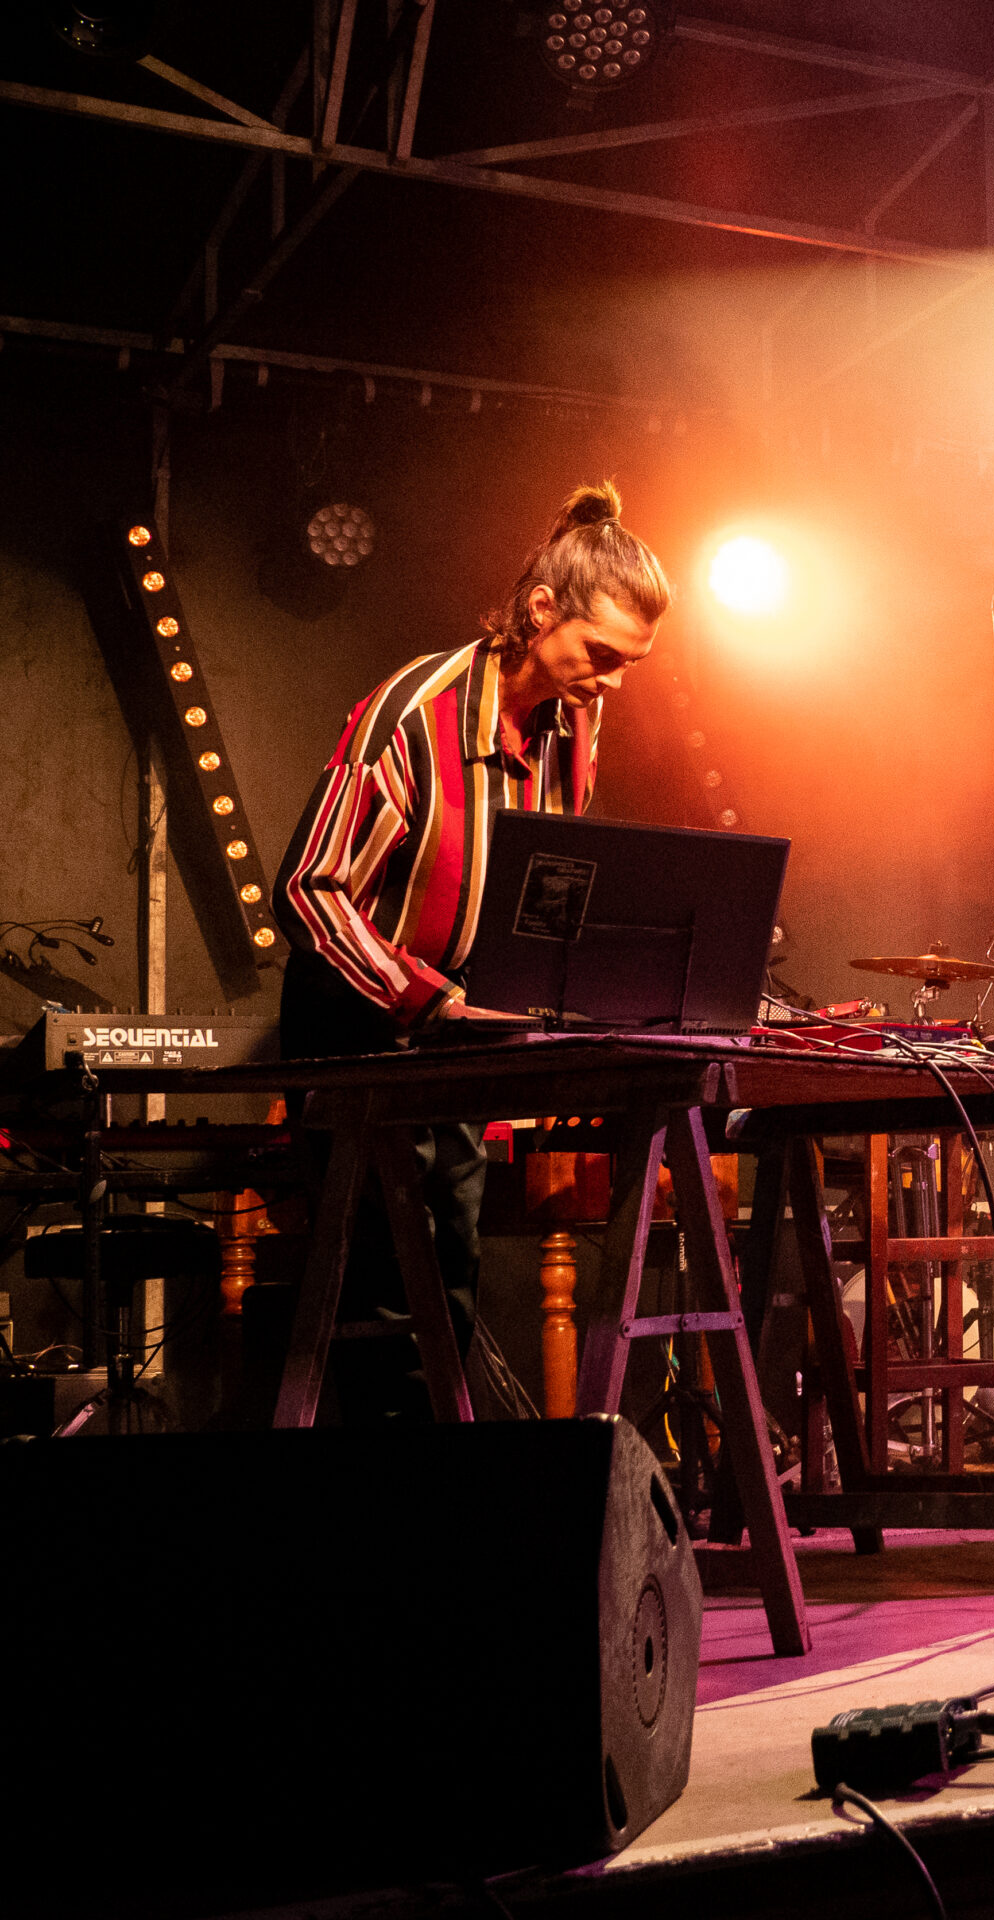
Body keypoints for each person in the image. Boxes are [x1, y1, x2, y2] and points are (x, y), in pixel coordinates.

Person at [273, 481, 669, 1419]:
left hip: (455, 1024)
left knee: (446, 1275)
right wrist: (429, 1000)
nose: (611, 681)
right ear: (541, 613)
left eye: (630, 664)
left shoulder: (578, 716)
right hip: (360, 1021)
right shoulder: (411, 715)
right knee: (386, 1288)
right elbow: (310, 890)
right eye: (600, 653)